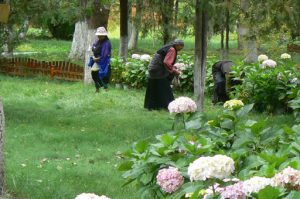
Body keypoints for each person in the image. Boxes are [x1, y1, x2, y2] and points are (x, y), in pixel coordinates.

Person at [144, 39, 184, 110]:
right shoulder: (172, 49)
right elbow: (167, 62)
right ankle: (168, 106)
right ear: (178, 45)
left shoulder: (168, 47)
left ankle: (151, 106)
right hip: (159, 70)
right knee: (165, 88)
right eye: (181, 47)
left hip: (153, 68)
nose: (181, 49)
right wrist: (174, 70)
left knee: (153, 87)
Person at [88, 26, 112, 92]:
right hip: (96, 61)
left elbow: (105, 55)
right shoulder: (98, 41)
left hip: (103, 62)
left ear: (104, 35)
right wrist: (93, 56)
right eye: (98, 35)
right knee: (94, 74)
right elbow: (94, 47)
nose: (99, 37)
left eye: (101, 35)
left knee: (102, 75)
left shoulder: (107, 43)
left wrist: (97, 59)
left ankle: (106, 89)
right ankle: (97, 88)